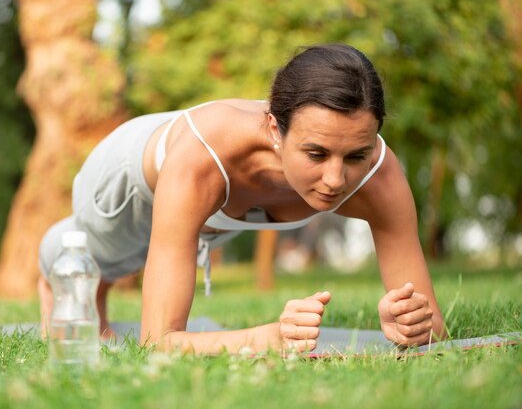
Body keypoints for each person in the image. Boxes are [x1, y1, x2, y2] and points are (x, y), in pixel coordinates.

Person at [38, 43, 446, 354]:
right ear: (274, 130)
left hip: (219, 212)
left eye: (356, 155)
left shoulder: (380, 174)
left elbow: (435, 333)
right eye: (316, 154)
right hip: (126, 179)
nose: (336, 179)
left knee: (186, 237)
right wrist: (267, 336)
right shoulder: (201, 161)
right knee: (105, 258)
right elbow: (156, 343)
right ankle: (49, 263)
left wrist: (410, 325)